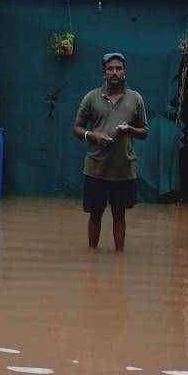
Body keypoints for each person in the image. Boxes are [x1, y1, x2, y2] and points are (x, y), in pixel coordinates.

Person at [73, 53, 148, 251]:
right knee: (95, 215)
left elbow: (144, 132)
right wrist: (93, 136)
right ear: (104, 73)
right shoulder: (91, 97)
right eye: (110, 69)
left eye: (118, 68)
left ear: (124, 72)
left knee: (119, 215)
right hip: (96, 168)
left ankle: (119, 259)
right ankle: (91, 257)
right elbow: (77, 128)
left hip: (123, 169)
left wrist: (129, 130)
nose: (114, 72)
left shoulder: (136, 98)